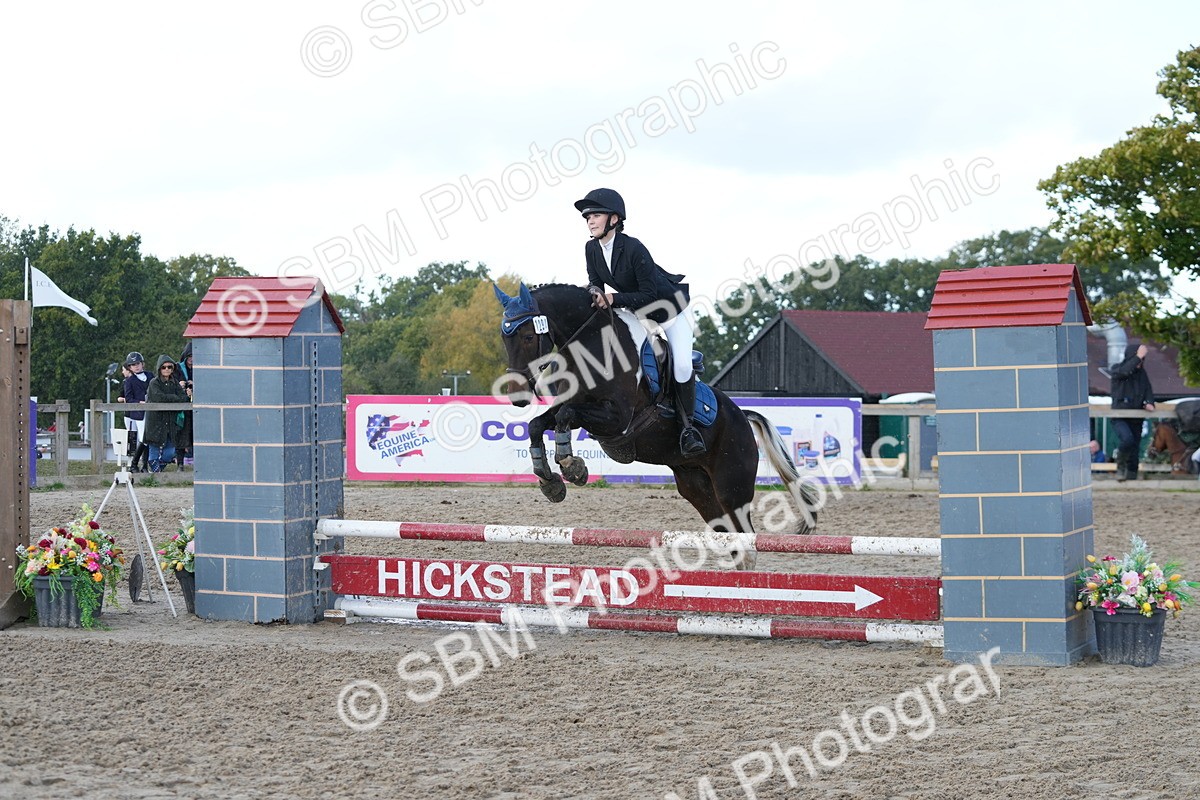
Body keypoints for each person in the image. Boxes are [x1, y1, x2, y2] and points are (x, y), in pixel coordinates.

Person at [574, 188, 705, 456]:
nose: (590, 221)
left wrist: (611, 298)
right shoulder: (591, 249)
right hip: (636, 311)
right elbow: (595, 285)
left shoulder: (633, 247)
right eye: (587, 217)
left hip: (667, 311)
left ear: (613, 219)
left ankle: (688, 429)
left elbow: (649, 295)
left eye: (596, 215)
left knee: (680, 364)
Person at [1110, 343, 1155, 482]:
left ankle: (1131, 477)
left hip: (1137, 417)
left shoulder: (1142, 374)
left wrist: (1150, 403)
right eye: (1138, 358)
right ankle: (1120, 465)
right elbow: (1125, 372)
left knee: (1135, 448)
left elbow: (1148, 390)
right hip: (1120, 416)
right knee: (1127, 440)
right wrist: (1138, 356)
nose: (1140, 362)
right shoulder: (1117, 369)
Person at [142, 354, 191, 472]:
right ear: (159, 368)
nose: (167, 369)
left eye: (170, 367)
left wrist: (180, 396)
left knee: (169, 453)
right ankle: (155, 475)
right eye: (164, 367)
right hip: (156, 421)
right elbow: (159, 397)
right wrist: (176, 397)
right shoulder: (154, 382)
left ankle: (155, 473)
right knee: (153, 448)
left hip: (171, 421)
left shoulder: (174, 383)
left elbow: (184, 397)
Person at [117, 352, 151, 472]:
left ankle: (144, 465)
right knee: (143, 438)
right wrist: (140, 402)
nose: (136, 366)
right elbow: (129, 398)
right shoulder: (129, 381)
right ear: (130, 368)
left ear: (142, 364)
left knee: (147, 438)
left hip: (150, 412)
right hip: (138, 414)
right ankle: (135, 464)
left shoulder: (150, 376)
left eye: (138, 364)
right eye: (133, 365)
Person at [174, 341, 194, 467]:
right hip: (182, 408)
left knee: (195, 434)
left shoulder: (202, 368)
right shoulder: (178, 368)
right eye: (190, 356)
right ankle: (180, 463)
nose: (192, 359)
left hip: (195, 408)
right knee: (181, 434)